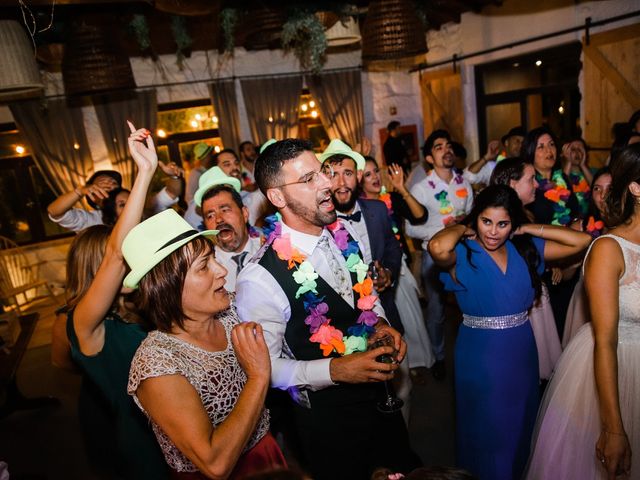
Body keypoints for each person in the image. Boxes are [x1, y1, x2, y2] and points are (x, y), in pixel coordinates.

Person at [236, 138, 421, 479]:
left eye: (322, 172)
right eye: (309, 179)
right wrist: (335, 370)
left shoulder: (342, 233)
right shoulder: (259, 279)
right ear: (277, 197)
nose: (328, 183)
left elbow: (365, 294)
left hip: (381, 399)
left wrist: (379, 322)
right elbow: (264, 369)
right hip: (330, 423)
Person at [122, 148, 285, 477]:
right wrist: (257, 377)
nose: (221, 272)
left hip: (268, 455)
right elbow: (214, 463)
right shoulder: (156, 362)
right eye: (204, 266)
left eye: (215, 259)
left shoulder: (231, 312)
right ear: (169, 286)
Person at [428, 185, 591, 480]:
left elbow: (581, 241)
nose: (493, 231)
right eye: (486, 221)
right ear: (476, 219)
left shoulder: (525, 249)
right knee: (488, 431)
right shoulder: (463, 252)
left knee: (520, 425)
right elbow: (437, 247)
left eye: (502, 223)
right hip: (480, 356)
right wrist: (464, 227)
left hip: (521, 350)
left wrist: (529, 227)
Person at [525, 144, 640, 480]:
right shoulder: (609, 249)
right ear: (635, 188)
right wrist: (614, 430)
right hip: (617, 367)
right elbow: (605, 341)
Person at [66, 122, 169, 479]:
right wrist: (144, 172)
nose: (129, 263)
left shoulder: (139, 309)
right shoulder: (86, 326)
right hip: (143, 444)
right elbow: (115, 256)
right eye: (119, 259)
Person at [405, 129, 474, 380]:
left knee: (469, 306)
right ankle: (438, 356)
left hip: (462, 255)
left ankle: (471, 354)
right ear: (430, 159)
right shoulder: (422, 189)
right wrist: (445, 229)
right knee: (436, 311)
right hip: (433, 260)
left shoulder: (463, 183)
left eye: (448, 145)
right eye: (438, 147)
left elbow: (471, 215)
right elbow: (410, 228)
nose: (447, 149)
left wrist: (463, 225)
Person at [361, 156, 435, 383]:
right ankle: (403, 366)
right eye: (367, 174)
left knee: (412, 318)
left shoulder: (391, 198)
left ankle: (417, 360)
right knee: (391, 321)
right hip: (373, 276)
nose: (374, 177)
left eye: (375, 172)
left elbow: (420, 216)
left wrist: (402, 189)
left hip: (399, 267)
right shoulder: (358, 210)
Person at [490, 158, 561, 381]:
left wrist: (549, 261)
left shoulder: (527, 216)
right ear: (512, 184)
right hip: (520, 307)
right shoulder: (498, 225)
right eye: (531, 179)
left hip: (537, 300)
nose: (537, 185)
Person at [523, 126, 582, 337]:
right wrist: (550, 260)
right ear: (530, 152)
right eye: (541, 146)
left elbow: (575, 212)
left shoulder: (562, 179)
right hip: (545, 260)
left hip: (570, 254)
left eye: (551, 145)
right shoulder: (529, 185)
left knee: (571, 314)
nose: (548, 150)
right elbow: (528, 228)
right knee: (553, 322)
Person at [47, 164, 182, 233]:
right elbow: (54, 211)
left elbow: (171, 193)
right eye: (103, 184)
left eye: (113, 183)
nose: (111, 185)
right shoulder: (90, 221)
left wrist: (174, 176)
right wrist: (79, 191)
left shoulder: (142, 209)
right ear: (92, 196)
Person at [562, 167, 612, 347]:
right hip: (585, 301)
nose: (602, 195)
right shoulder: (580, 226)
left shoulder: (631, 229)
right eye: (597, 189)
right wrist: (574, 263)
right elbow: (565, 276)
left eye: (609, 189)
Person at [194, 166, 263, 292]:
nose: (218, 219)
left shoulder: (270, 249)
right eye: (210, 215)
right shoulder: (205, 272)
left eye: (225, 210)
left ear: (245, 214)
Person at [561, 137, 593, 216]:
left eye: (580, 150)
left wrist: (583, 165)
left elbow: (595, 186)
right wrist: (568, 161)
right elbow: (562, 188)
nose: (577, 153)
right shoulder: (559, 174)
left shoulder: (592, 172)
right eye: (573, 150)